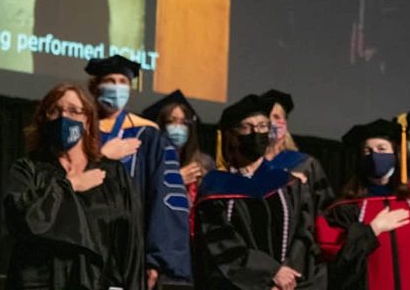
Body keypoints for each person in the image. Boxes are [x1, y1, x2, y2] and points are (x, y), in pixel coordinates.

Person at [4, 82, 144, 290]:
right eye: (55, 111)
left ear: (87, 121)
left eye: (73, 111)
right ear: (44, 120)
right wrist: (69, 185)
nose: (64, 118)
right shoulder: (28, 169)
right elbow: (23, 219)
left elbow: (131, 244)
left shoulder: (112, 174)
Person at [193, 94, 326, 290]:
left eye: (263, 126)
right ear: (232, 136)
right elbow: (220, 246)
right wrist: (270, 273)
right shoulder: (216, 187)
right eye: (247, 127)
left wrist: (287, 275)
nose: (257, 133)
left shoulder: (289, 184)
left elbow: (304, 235)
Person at [315, 118, 410, 289]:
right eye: (367, 151)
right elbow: (335, 265)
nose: (374, 155)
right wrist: (372, 230)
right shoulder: (344, 210)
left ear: (395, 155)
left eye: (381, 149)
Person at [86, 55, 192, 287]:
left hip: (131, 249)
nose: (117, 87)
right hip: (86, 241)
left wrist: (156, 259)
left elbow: (165, 199)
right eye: (110, 81)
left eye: (122, 81)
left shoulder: (148, 135)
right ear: (95, 87)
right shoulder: (82, 131)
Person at [261, 88, 335, 215]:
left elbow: (324, 210)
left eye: (276, 117)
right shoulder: (247, 166)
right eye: (266, 117)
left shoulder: (306, 165)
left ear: (284, 124)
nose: (271, 122)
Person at [142, 89, 216, 205]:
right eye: (171, 121)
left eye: (184, 122)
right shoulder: (148, 161)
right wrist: (176, 180)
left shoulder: (203, 163)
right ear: (161, 126)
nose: (178, 127)